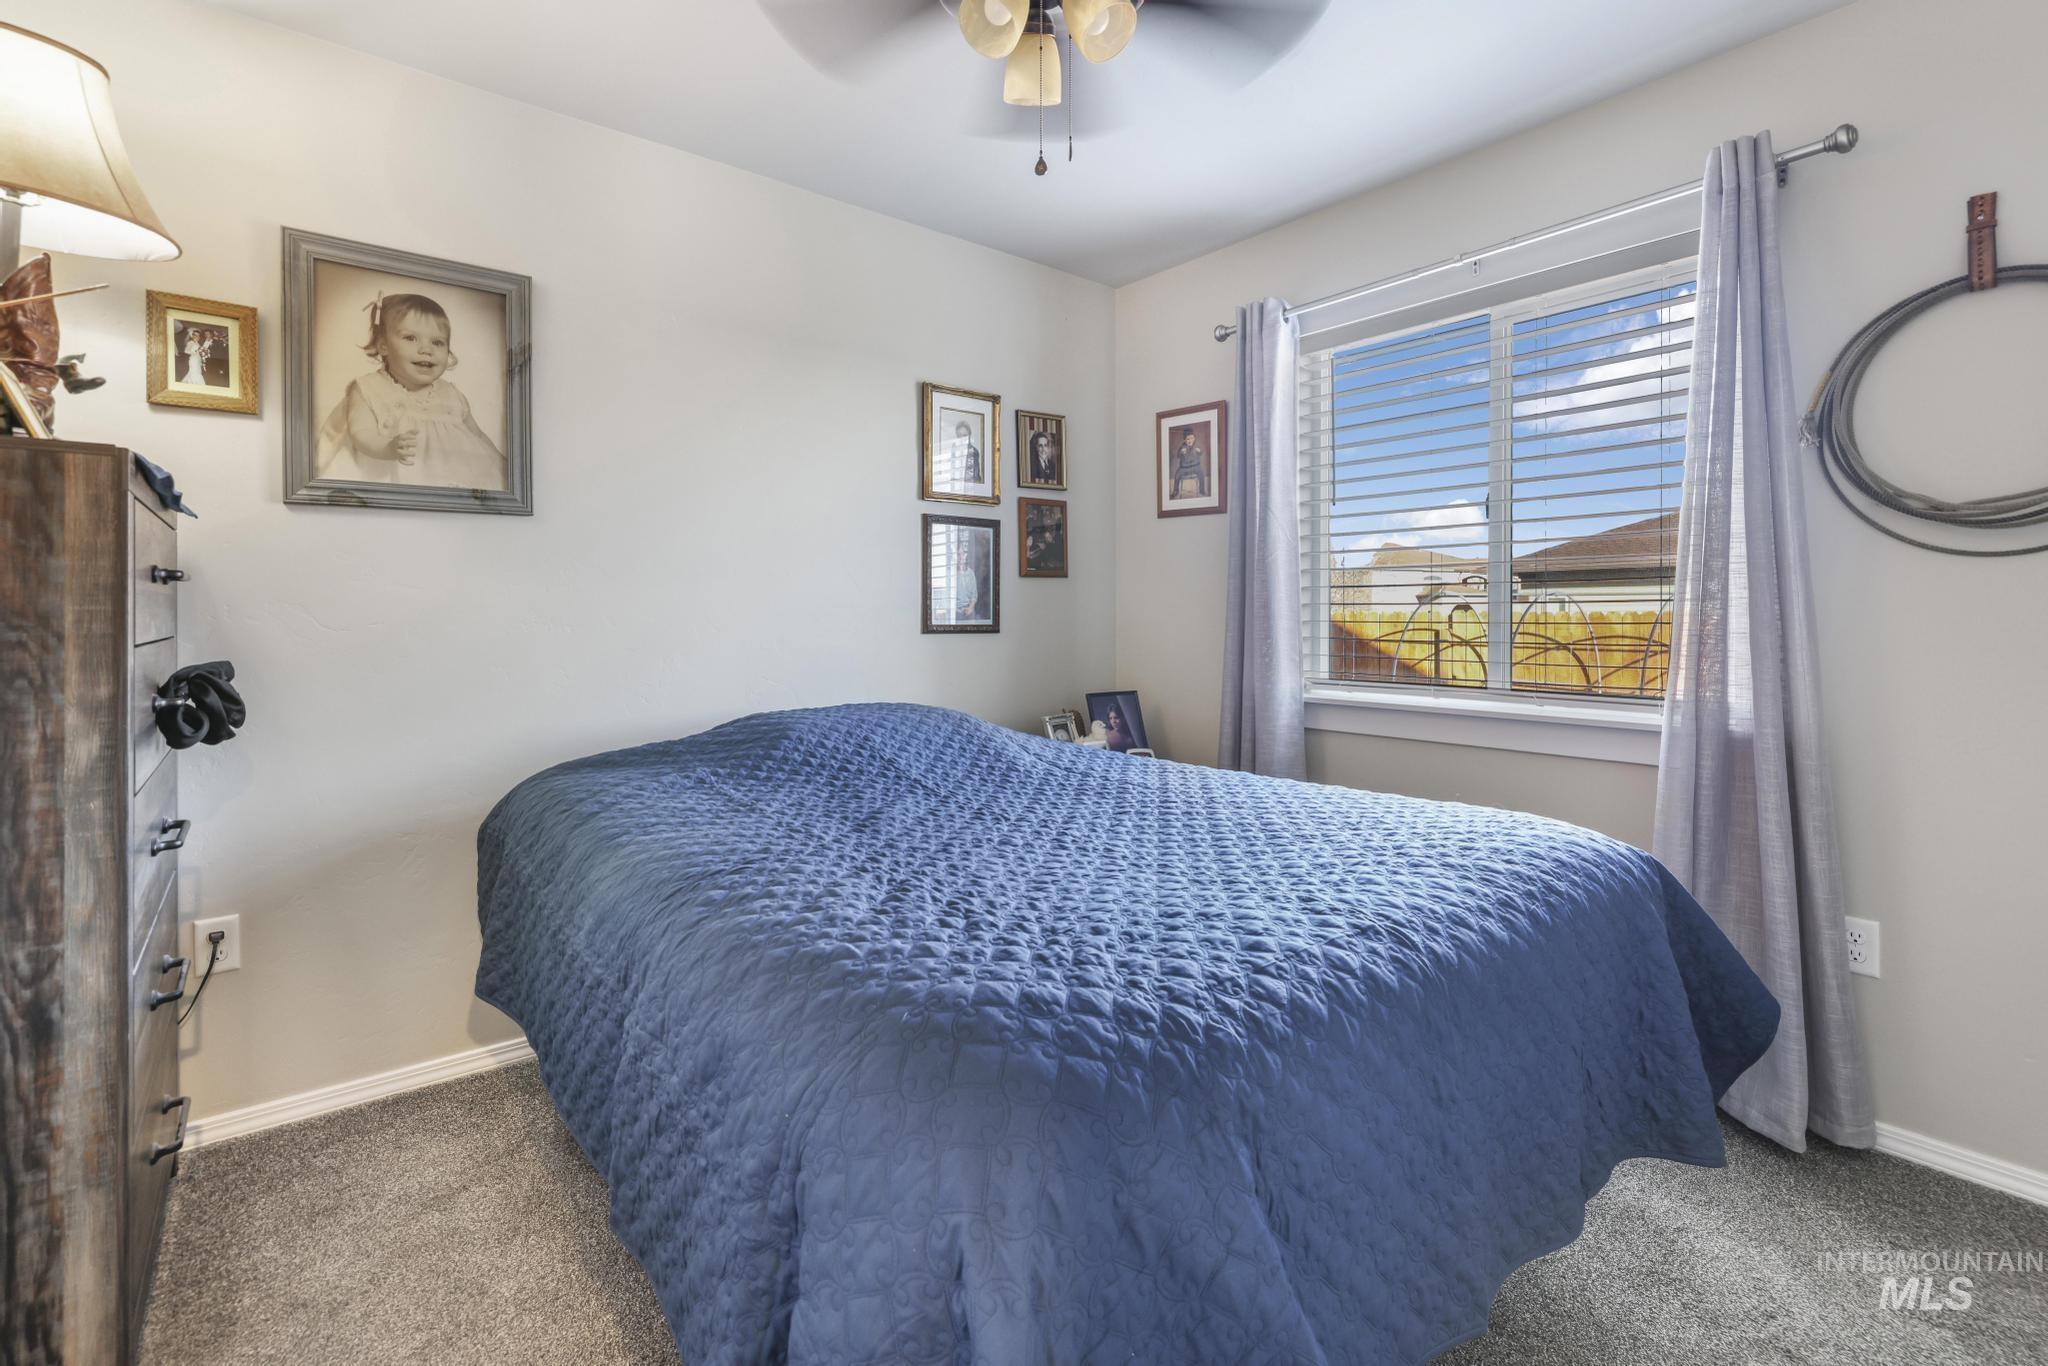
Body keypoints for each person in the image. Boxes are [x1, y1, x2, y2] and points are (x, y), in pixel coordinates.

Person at [315, 293, 506, 490]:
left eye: (437, 342)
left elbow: (478, 437)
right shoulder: (369, 388)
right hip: (392, 479)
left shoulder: (452, 395)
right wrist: (387, 447)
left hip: (452, 482)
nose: (426, 349)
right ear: (383, 346)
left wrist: (504, 465)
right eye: (411, 338)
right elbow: (361, 433)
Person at [1170, 429, 1208, 499]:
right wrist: (1181, 452)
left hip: (1195, 466)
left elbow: (1201, 452)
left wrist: (1199, 451)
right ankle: (1176, 491)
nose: (1190, 441)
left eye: (1192, 438)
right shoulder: (1182, 447)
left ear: (1194, 438)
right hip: (1184, 468)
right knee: (1177, 475)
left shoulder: (1196, 446)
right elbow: (1178, 456)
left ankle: (1202, 490)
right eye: (1188, 439)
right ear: (1184, 440)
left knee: (1201, 473)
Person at [953, 420, 983, 486]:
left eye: (964, 435)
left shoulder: (973, 452)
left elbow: (976, 477)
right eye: (959, 435)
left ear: (969, 436)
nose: (962, 438)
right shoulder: (952, 451)